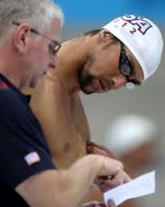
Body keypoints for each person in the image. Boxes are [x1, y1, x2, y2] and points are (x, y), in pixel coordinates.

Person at [0, 0, 126, 207]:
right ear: (23, 37)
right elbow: (50, 199)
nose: (54, 61)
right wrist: (94, 164)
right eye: (51, 47)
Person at [26, 14, 163, 205]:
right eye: (125, 66)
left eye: (130, 81)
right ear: (105, 36)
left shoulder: (70, 97)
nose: (118, 83)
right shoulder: (34, 81)